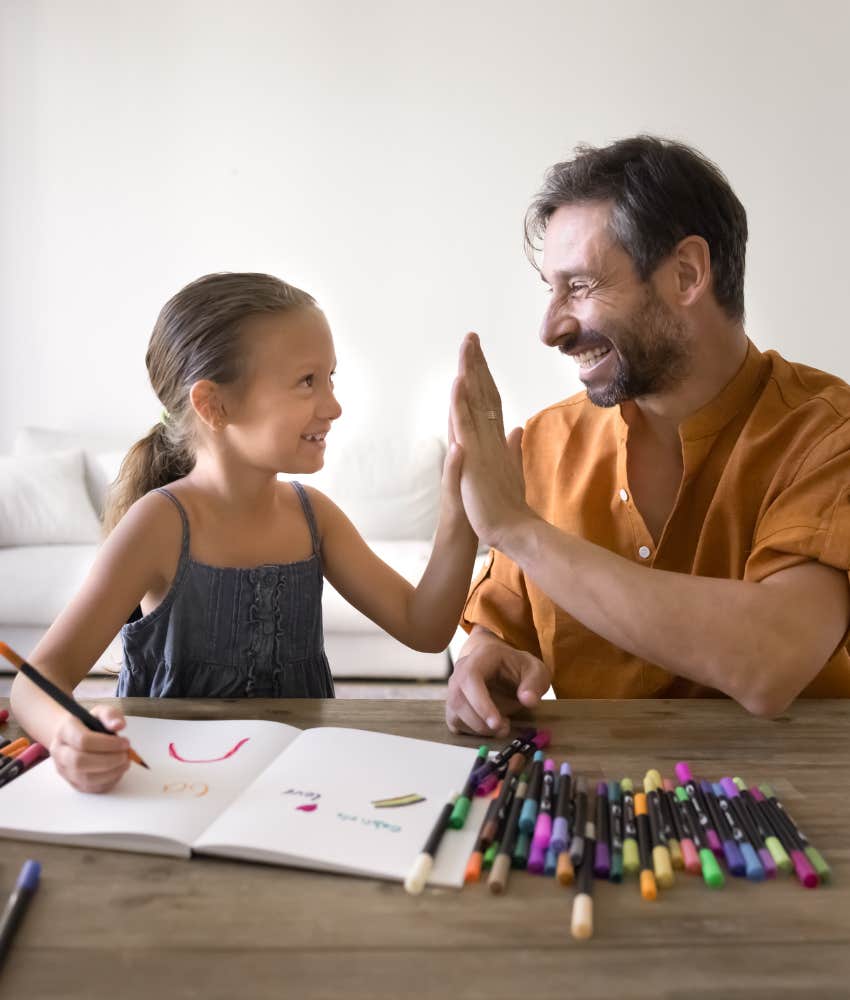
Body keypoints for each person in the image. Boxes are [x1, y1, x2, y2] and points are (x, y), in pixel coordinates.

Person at [10, 272, 478, 792]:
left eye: (331, 378)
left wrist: (460, 506)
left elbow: (426, 627)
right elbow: (36, 682)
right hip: (172, 789)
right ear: (214, 405)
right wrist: (66, 733)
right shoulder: (159, 524)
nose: (334, 405)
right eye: (307, 381)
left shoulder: (313, 516)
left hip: (296, 785)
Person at [447, 135, 850, 738]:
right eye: (550, 289)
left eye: (580, 286)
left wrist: (517, 529)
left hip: (797, 800)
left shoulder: (827, 433)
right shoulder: (547, 440)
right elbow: (501, 624)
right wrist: (483, 662)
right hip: (595, 804)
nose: (551, 327)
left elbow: (772, 661)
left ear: (687, 274)